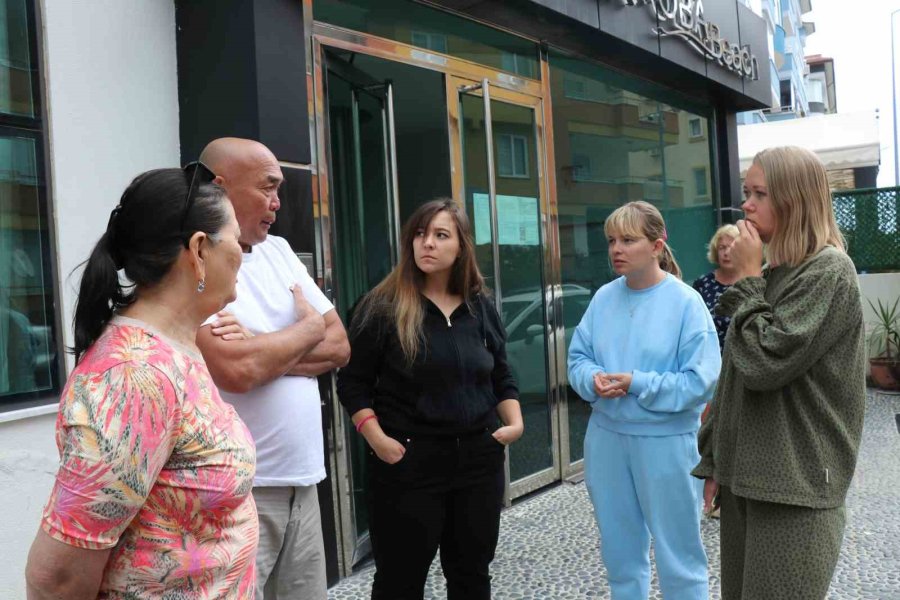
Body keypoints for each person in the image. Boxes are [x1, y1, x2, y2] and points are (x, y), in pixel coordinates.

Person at [25, 167, 258, 598]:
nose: (245, 252)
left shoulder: (176, 348)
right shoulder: (133, 378)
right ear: (200, 250)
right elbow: (56, 580)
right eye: (238, 241)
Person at [692, 146, 866, 600]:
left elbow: (765, 364)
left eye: (759, 194)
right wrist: (715, 460)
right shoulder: (774, 273)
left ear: (795, 200)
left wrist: (748, 280)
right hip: (748, 482)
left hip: (797, 489)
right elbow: (732, 379)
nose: (745, 204)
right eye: (746, 192)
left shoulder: (829, 270)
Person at [337, 198, 524, 600]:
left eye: (441, 235)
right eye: (421, 234)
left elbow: (501, 373)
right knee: (399, 582)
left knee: (471, 576)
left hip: (478, 461)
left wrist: (515, 423)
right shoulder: (382, 307)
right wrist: (379, 441)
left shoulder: (480, 307)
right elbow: (352, 383)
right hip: (408, 463)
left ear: (461, 247)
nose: (428, 244)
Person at [195, 137, 350, 600]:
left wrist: (263, 353)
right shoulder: (196, 261)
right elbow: (234, 371)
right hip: (239, 492)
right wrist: (305, 328)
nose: (277, 203)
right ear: (220, 188)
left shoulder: (279, 251)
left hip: (303, 483)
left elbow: (340, 345)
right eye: (267, 188)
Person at [567, 200, 721, 599]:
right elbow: (578, 358)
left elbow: (700, 382)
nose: (617, 249)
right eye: (612, 240)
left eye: (629, 240)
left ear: (657, 244)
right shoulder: (603, 298)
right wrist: (592, 380)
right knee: (620, 556)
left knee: (680, 557)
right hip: (606, 440)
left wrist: (637, 382)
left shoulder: (686, 303)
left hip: (667, 442)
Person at [692, 224, 741, 352]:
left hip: (743, 361)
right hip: (710, 359)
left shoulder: (751, 283)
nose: (726, 253)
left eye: (731, 247)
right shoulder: (702, 284)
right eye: (722, 248)